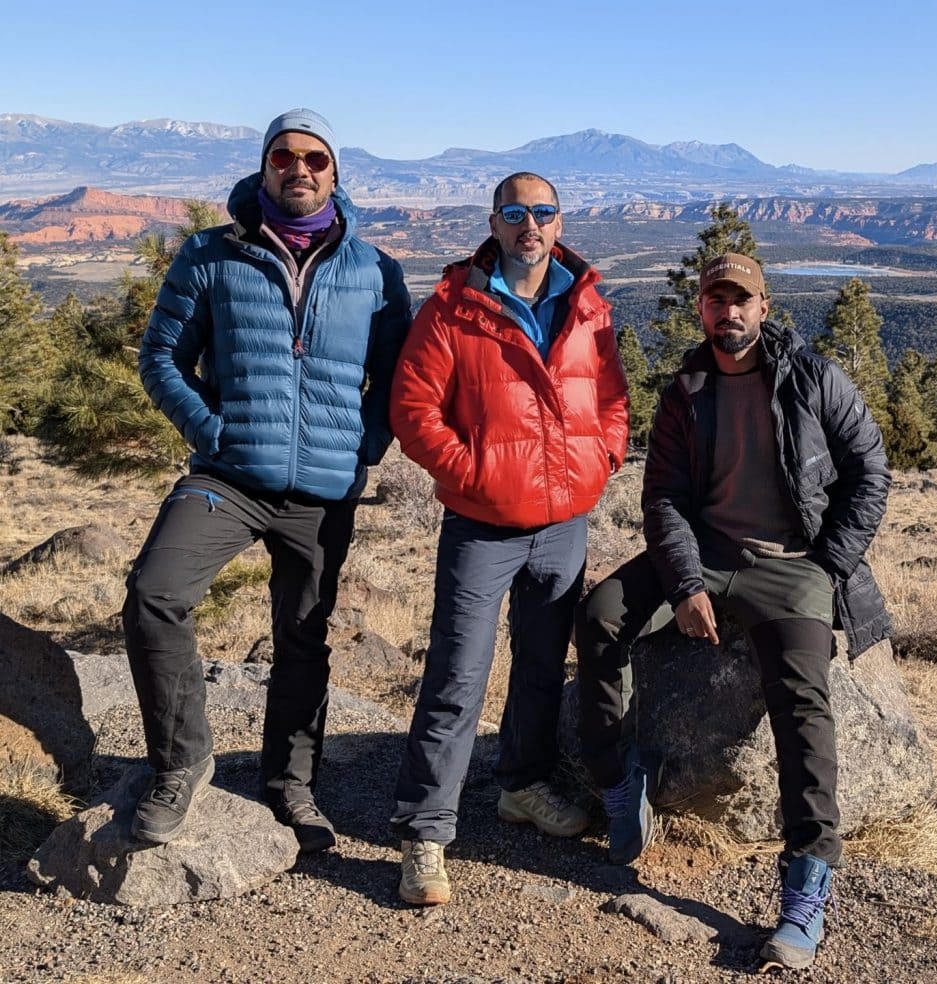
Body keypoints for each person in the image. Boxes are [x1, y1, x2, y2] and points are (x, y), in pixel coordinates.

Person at [574, 252, 891, 969]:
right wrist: (685, 583)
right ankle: (620, 781)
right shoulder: (688, 387)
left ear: (764, 307)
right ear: (702, 311)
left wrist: (827, 566)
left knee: (803, 701)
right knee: (599, 616)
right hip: (705, 555)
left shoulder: (814, 378)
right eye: (716, 301)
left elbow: (870, 471)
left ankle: (808, 882)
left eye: (741, 300)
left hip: (791, 563)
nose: (729, 313)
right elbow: (663, 499)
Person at [123, 108, 411, 854]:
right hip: (227, 476)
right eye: (284, 156)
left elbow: (396, 378)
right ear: (264, 168)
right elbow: (160, 358)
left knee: (304, 637)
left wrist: (365, 449)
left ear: (335, 173)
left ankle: (291, 784)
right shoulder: (211, 254)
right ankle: (181, 765)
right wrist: (209, 430)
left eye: (315, 157)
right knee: (156, 596)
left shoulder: (375, 270)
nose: (300, 168)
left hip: (324, 486)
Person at [388, 172, 630, 905]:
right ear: (494, 223)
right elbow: (411, 407)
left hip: (564, 525)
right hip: (481, 526)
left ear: (559, 223)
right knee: (457, 677)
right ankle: (425, 833)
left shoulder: (587, 308)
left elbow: (613, 400)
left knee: (538, 666)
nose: (531, 225)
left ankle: (521, 784)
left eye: (544, 213)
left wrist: (601, 460)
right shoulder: (454, 310)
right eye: (517, 213)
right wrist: (474, 474)